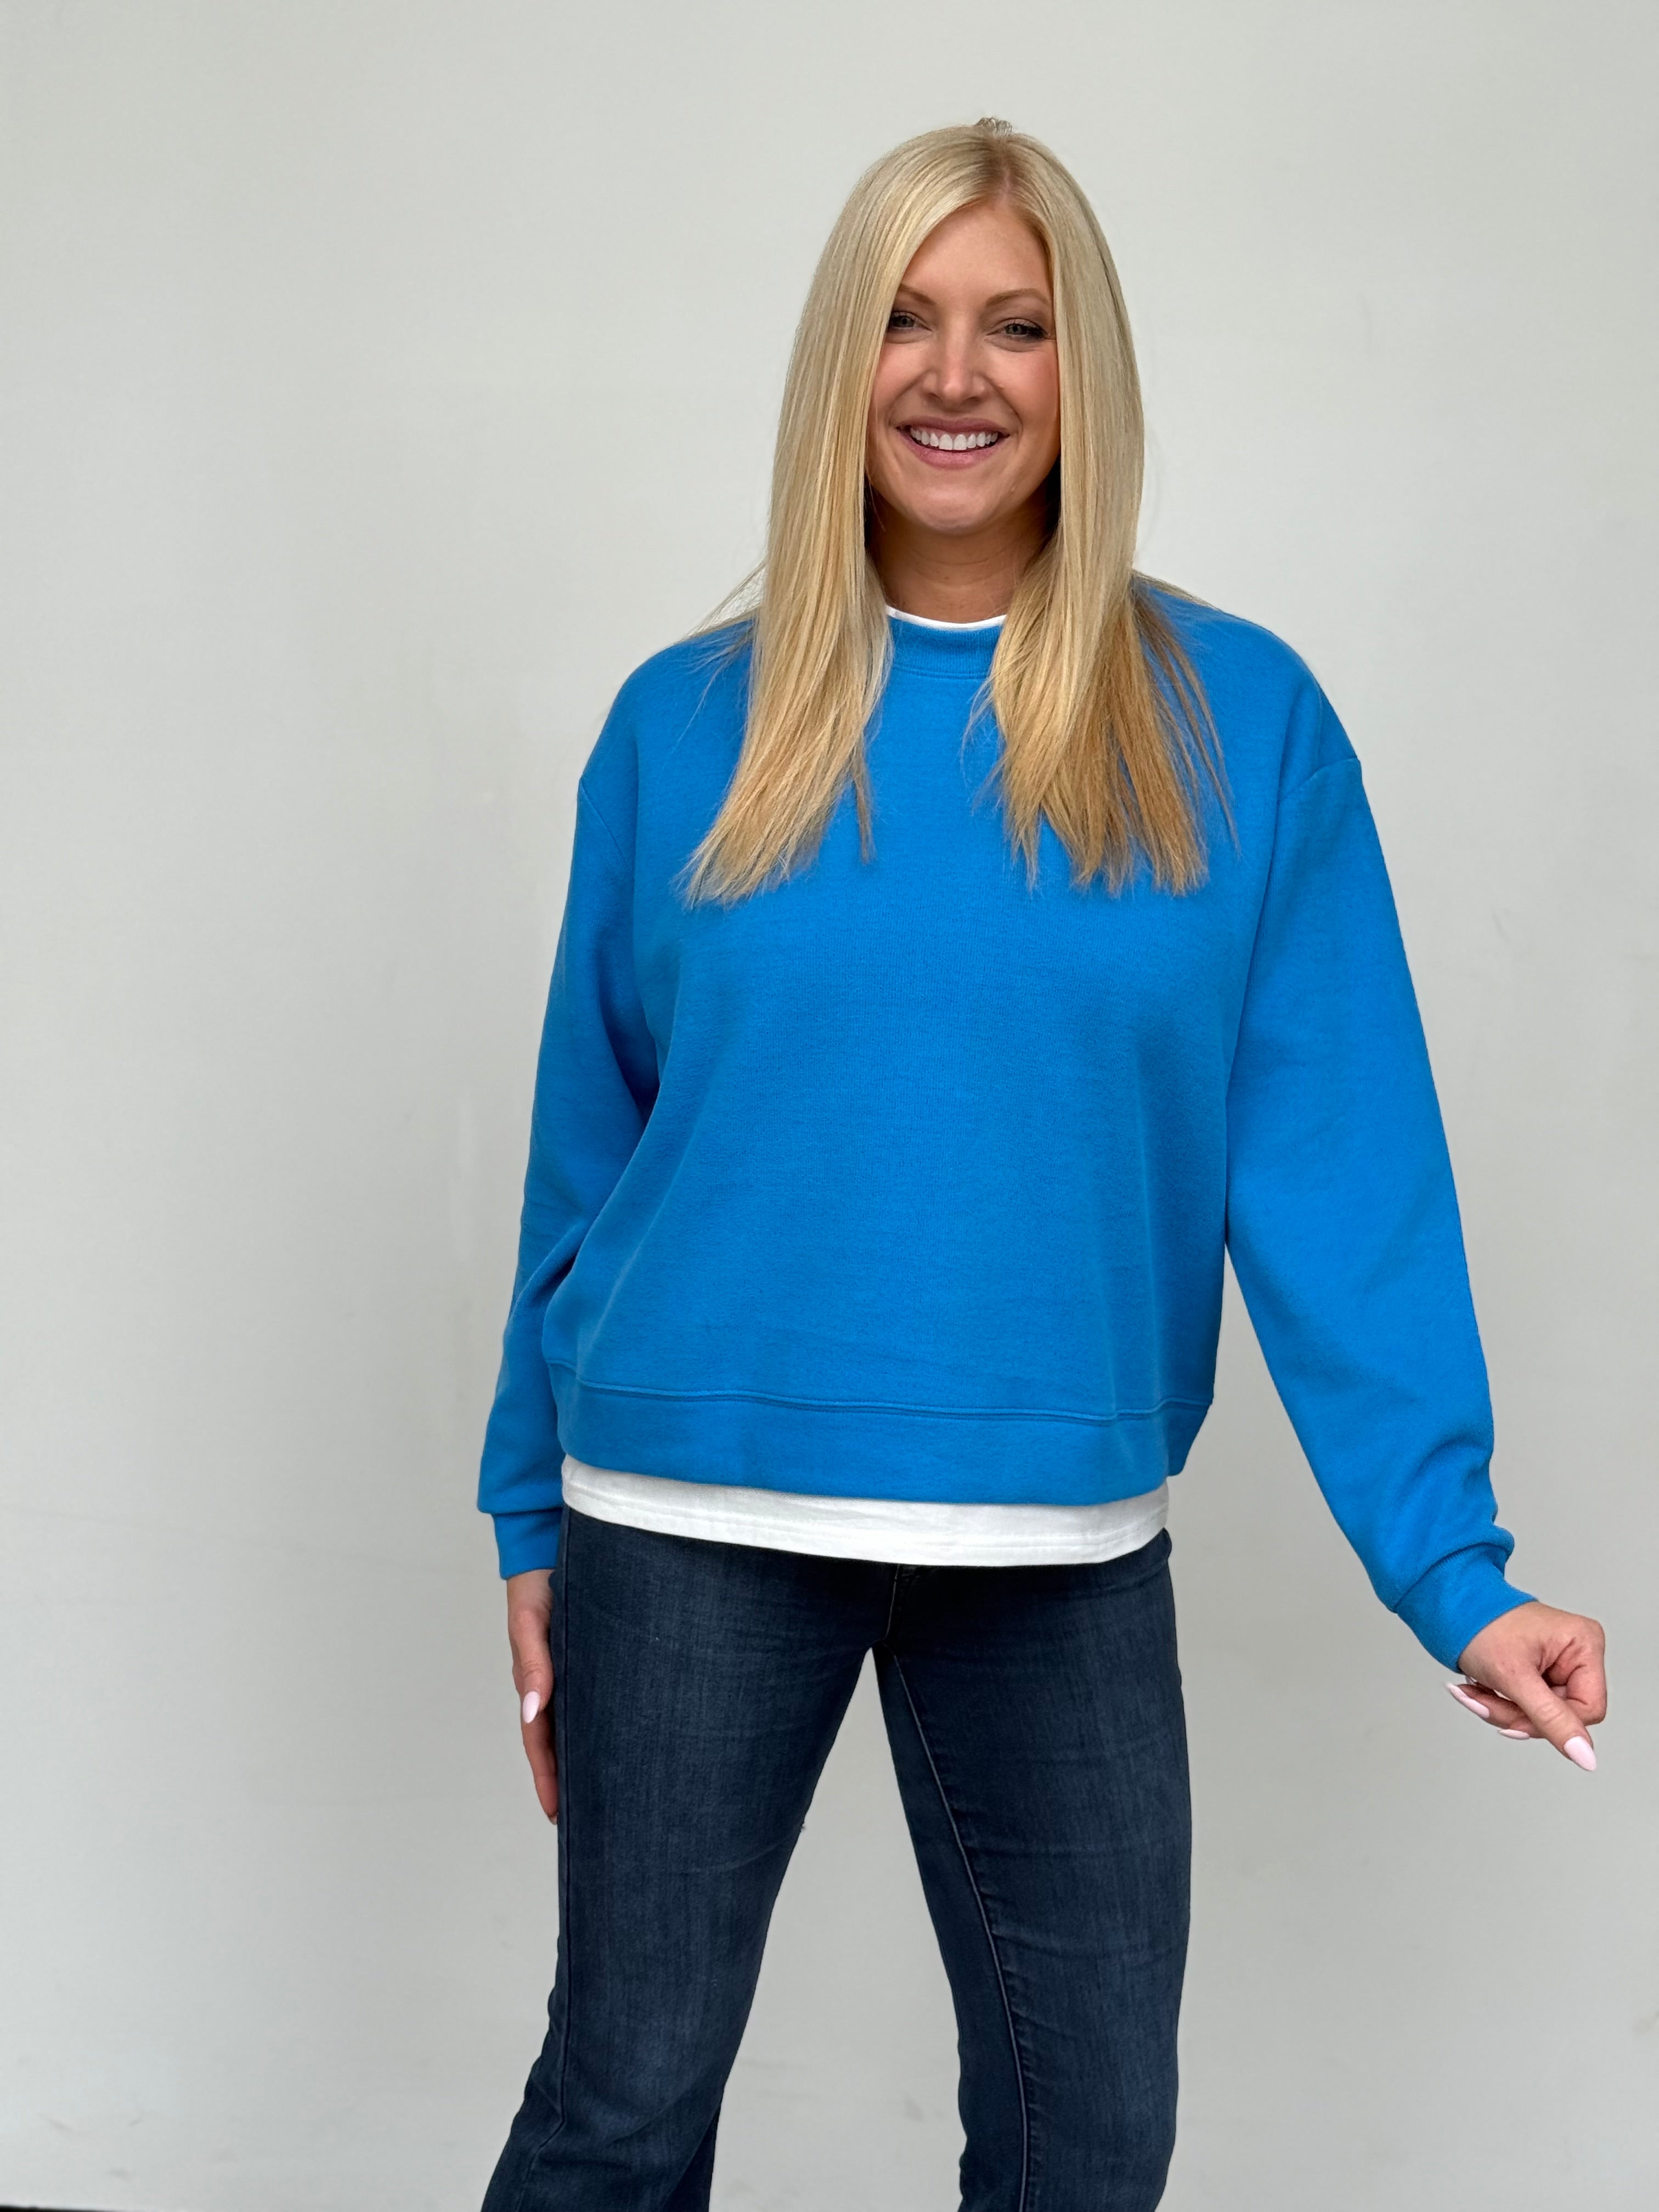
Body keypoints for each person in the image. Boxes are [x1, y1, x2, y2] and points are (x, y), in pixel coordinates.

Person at [473, 117, 1607, 2212]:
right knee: (621, 2111)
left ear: (1088, 369)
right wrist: (527, 1504)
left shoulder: (1240, 723)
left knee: (1090, 2145)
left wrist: (1454, 1567)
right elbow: (590, 1143)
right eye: (905, 319)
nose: (954, 374)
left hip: (1054, 1537)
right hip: (688, 1513)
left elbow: (1341, 1169)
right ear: (842, 361)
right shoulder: (683, 725)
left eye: (1016, 324)